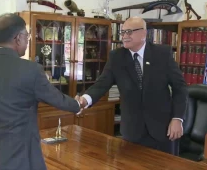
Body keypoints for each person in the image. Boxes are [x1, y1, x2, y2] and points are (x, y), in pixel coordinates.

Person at [0, 13, 81, 170]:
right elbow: (57, 99)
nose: (27, 40)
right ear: (18, 38)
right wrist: (78, 104)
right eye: (27, 36)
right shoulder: (31, 70)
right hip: (20, 160)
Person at [76, 17, 188, 155]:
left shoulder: (162, 54)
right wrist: (85, 100)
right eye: (122, 32)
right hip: (132, 132)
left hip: (164, 130)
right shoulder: (116, 57)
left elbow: (180, 88)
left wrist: (177, 118)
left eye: (129, 32)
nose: (124, 36)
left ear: (143, 34)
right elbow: (101, 84)